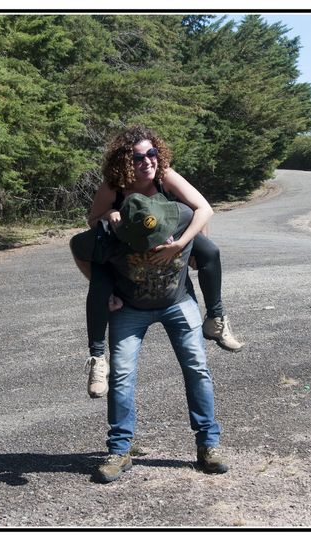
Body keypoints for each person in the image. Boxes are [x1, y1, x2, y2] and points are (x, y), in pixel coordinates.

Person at [70, 125, 243, 399]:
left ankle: (215, 319)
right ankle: (98, 359)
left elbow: (203, 209)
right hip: (127, 242)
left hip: (172, 238)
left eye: (151, 154)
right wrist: (110, 213)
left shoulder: (164, 176)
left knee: (210, 251)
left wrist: (182, 246)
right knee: (101, 282)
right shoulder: (113, 187)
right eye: (138, 158)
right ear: (125, 162)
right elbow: (93, 221)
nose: (147, 161)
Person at [93, 192, 230, 482]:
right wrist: (106, 292)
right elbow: (80, 248)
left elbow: (204, 215)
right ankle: (119, 451)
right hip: (129, 308)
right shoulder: (111, 229)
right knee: (122, 375)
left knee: (197, 368)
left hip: (178, 302)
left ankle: (209, 445)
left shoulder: (180, 215)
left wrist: (187, 245)